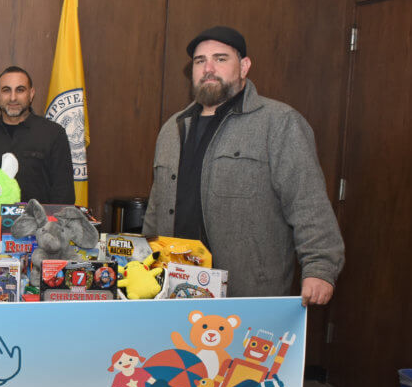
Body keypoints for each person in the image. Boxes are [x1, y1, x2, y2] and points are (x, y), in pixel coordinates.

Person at [142, 26, 343, 304]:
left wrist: (320, 268)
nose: (208, 68)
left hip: (248, 294)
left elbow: (307, 201)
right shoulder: (172, 129)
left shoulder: (279, 122)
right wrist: (144, 263)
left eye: (221, 59)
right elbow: (156, 207)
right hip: (174, 289)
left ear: (244, 66)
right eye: (200, 61)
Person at [0, 66, 75, 205]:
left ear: (31, 94)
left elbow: (63, 192)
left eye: (20, 90)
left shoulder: (53, 134)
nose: (13, 98)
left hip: (39, 224)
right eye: (6, 90)